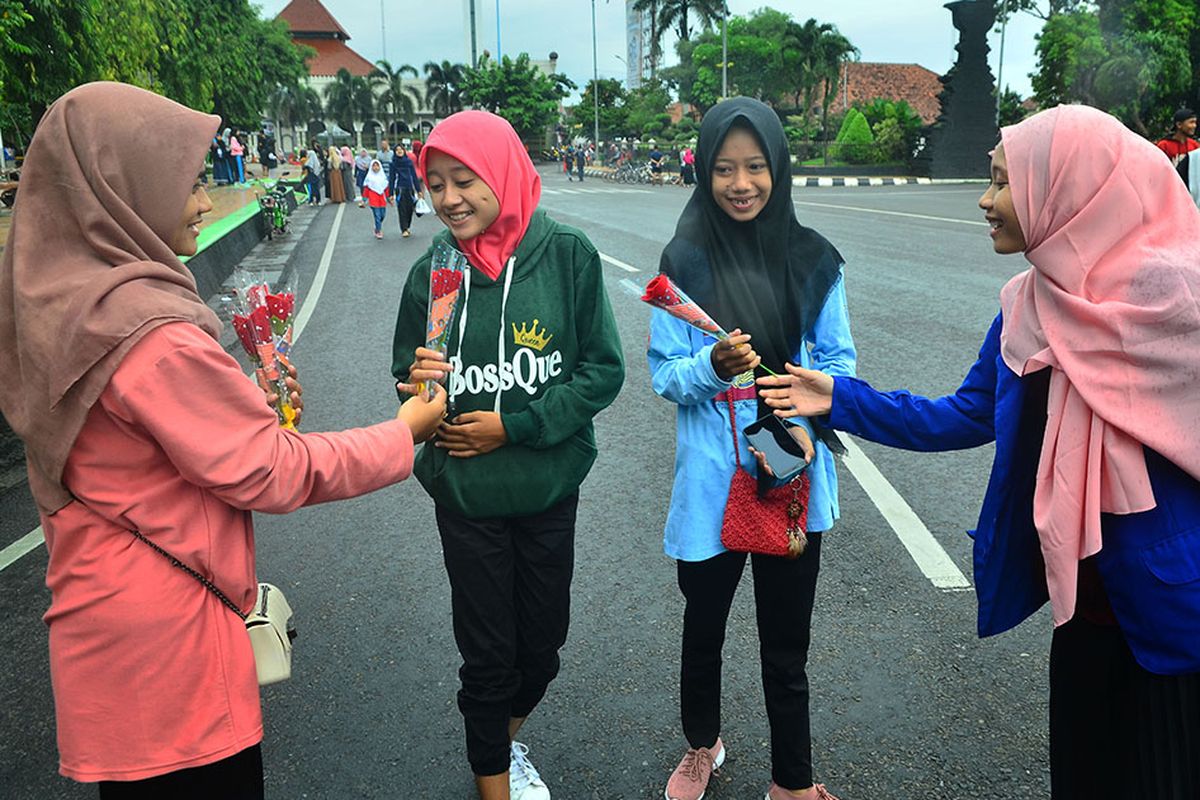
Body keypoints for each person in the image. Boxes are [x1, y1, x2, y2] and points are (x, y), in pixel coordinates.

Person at [0, 81, 447, 799]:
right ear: (122, 187)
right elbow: (271, 471)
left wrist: (240, 399)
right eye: (186, 181)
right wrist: (403, 434)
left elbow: (142, 437)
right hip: (170, 651)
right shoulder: (149, 333)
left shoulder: (66, 305)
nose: (207, 200)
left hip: (102, 632)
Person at [758, 104, 1200, 799]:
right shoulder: (1030, 304)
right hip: (1083, 612)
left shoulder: (1176, 297)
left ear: (1065, 191)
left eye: (1002, 183)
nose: (985, 199)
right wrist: (836, 398)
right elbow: (964, 414)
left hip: (1178, 614)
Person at [392, 110, 625, 800]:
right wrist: (420, 391)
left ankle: (501, 737)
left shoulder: (568, 256)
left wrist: (513, 427)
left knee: (542, 647)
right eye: (435, 183)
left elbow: (601, 372)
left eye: (464, 179)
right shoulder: (431, 271)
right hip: (465, 496)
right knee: (487, 654)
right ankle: (492, 774)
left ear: (500, 172)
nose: (448, 198)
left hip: (548, 486)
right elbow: (405, 376)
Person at [649, 97, 855, 800]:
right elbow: (663, 375)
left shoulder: (816, 262)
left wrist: (804, 409)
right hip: (711, 480)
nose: (741, 183)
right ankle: (701, 745)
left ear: (778, 169)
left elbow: (841, 364)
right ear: (704, 172)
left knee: (785, 644)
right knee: (702, 628)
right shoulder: (681, 264)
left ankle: (791, 783)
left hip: (791, 472)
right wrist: (712, 366)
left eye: (756, 167)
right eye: (725, 169)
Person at [388, 144, 424, 238]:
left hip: (409, 188)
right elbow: (391, 179)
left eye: (401, 149)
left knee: (409, 209)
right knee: (402, 209)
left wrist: (418, 190)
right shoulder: (393, 164)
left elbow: (414, 176)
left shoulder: (409, 162)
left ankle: (407, 226)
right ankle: (404, 229)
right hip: (400, 188)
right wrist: (390, 193)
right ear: (395, 152)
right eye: (397, 150)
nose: (399, 151)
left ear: (404, 151)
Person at [362, 158, 390, 238]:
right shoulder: (369, 178)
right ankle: (378, 230)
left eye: (377, 166)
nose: (375, 168)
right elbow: (366, 190)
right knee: (377, 215)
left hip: (382, 199)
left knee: (382, 215)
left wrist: (389, 198)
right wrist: (364, 200)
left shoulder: (383, 177)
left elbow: (386, 189)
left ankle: (377, 225)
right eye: (373, 166)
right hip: (373, 199)